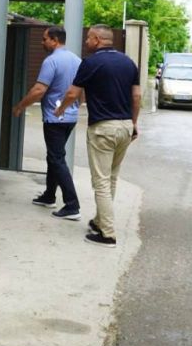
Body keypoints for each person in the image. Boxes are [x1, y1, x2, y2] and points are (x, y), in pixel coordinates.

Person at [55, 24, 140, 248]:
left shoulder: (91, 63)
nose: (86, 42)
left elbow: (73, 92)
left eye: (88, 38)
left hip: (103, 128)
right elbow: (137, 96)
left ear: (96, 39)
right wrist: (134, 123)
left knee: (101, 182)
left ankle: (107, 234)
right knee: (111, 177)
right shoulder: (129, 62)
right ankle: (100, 221)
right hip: (125, 126)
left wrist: (61, 109)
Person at [12, 26, 82, 220]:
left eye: (45, 39)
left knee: (57, 158)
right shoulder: (77, 60)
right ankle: (49, 195)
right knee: (54, 156)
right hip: (70, 117)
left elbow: (39, 90)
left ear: (55, 40)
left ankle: (72, 205)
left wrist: (20, 106)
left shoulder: (51, 61)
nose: (42, 42)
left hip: (54, 118)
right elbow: (81, 90)